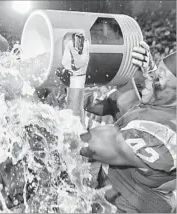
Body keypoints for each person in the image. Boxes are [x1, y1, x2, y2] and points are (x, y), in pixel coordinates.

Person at [74, 41, 176, 213]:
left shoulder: (161, 138)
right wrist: (130, 63)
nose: (148, 77)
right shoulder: (158, 107)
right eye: (154, 70)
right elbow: (121, 103)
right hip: (104, 198)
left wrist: (76, 75)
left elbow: (74, 142)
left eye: (158, 76)